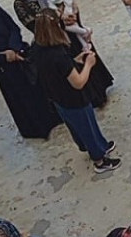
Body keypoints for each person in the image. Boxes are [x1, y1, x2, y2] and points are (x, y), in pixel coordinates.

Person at [32, 8, 122, 173]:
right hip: (74, 99)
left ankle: (98, 145)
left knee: (78, 127)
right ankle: (99, 160)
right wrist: (88, 64)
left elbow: (57, 71)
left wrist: (75, 61)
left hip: (57, 98)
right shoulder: (58, 54)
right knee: (87, 128)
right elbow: (78, 82)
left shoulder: (36, 48)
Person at [0, 0, 62, 139]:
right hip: (7, 69)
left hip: (21, 54)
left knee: (40, 86)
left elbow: (13, 28)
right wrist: (5, 57)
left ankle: (55, 116)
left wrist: (14, 48)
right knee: (25, 98)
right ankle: (40, 128)